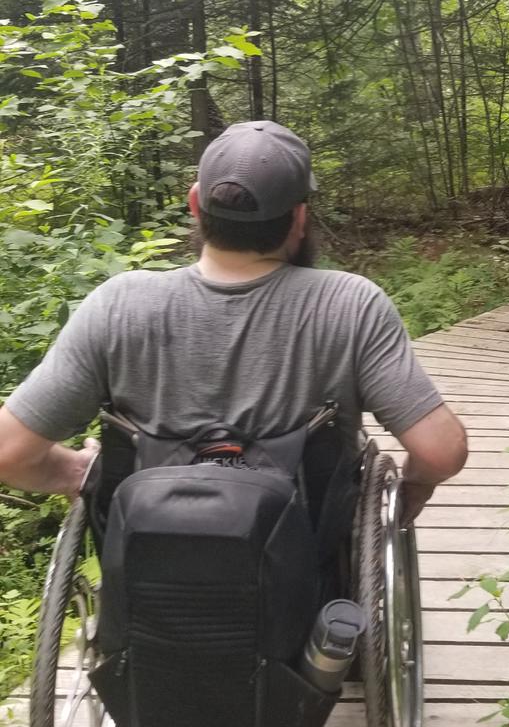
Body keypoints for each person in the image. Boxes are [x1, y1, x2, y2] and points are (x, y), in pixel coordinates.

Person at [0, 121, 467, 514]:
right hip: (312, 579)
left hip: (151, 585)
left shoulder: (118, 305)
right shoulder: (351, 305)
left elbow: (8, 453)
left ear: (195, 204)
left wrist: (78, 473)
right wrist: (414, 487)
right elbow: (441, 452)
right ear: (299, 218)